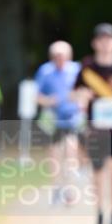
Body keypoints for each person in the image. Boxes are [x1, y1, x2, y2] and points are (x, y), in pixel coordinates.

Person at [73, 23, 112, 224]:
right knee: (98, 172)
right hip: (95, 126)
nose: (106, 43)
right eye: (101, 39)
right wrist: (81, 95)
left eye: (109, 39)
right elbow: (75, 93)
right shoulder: (87, 67)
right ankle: (99, 215)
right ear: (95, 43)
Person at [35, 41, 81, 204]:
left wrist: (79, 99)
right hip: (53, 118)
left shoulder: (76, 69)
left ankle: (70, 190)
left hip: (72, 117)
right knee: (55, 154)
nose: (59, 58)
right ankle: (56, 188)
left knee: (71, 153)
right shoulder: (45, 71)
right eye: (56, 56)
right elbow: (37, 96)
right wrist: (48, 100)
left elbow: (85, 91)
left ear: (69, 56)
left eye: (62, 55)